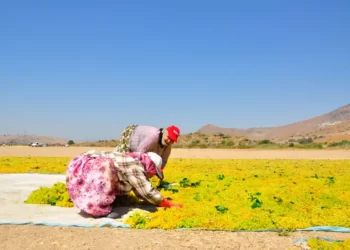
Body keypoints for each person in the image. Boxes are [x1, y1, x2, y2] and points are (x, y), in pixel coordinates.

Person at [66, 150, 183, 218]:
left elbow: (130, 184)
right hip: (93, 167)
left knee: (114, 177)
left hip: (77, 166)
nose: (152, 176)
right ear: (150, 165)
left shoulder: (131, 160)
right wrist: (168, 204)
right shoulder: (135, 165)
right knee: (106, 169)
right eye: (154, 172)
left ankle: (90, 204)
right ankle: (99, 210)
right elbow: (145, 191)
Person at [114, 125, 180, 176]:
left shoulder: (168, 143)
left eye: (172, 140)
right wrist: (139, 173)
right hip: (131, 134)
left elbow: (164, 160)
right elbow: (139, 153)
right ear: (165, 132)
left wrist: (159, 172)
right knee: (123, 161)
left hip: (140, 146)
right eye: (168, 137)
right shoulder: (153, 136)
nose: (169, 141)